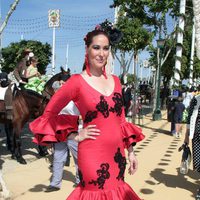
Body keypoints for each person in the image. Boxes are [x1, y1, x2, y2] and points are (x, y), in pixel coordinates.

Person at [30, 28, 145, 199]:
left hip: (116, 155)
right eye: (96, 47)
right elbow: (49, 113)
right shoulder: (76, 81)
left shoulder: (116, 81)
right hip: (92, 153)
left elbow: (121, 120)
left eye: (106, 48)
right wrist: (74, 135)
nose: (101, 53)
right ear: (87, 50)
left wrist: (131, 152)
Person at [45, 82, 80, 192]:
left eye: (58, 89)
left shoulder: (73, 101)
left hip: (72, 131)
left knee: (78, 157)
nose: (56, 91)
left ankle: (80, 181)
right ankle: (55, 183)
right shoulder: (53, 102)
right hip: (59, 132)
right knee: (58, 157)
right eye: (55, 90)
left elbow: (80, 116)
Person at [184, 85, 200, 199]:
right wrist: (186, 137)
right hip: (197, 136)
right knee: (199, 163)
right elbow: (189, 118)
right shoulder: (196, 99)